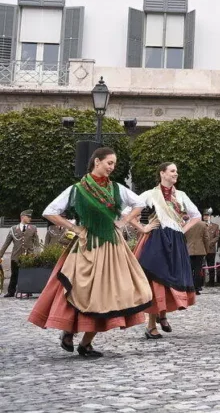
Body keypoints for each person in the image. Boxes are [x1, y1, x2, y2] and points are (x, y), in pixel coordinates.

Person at [28, 147, 152, 357]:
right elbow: (49, 212)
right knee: (80, 289)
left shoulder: (116, 188)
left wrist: (122, 222)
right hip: (87, 244)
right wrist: (75, 228)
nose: (112, 167)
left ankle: (86, 342)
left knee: (108, 294)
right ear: (97, 161)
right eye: (109, 163)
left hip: (113, 246)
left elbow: (140, 203)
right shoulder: (77, 189)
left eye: (114, 164)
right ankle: (69, 331)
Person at [132, 162, 201, 339]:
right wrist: (143, 228)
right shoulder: (150, 194)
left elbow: (197, 215)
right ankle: (151, 325)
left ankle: (162, 315)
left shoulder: (181, 195)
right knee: (156, 279)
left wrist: (182, 230)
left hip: (175, 240)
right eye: (172, 171)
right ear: (162, 173)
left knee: (171, 279)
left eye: (176, 171)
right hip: (156, 239)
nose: (175, 174)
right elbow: (128, 212)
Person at [2, 210, 39, 298]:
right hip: (16, 255)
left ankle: (28, 291)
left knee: (28, 274)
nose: (30, 218)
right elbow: (6, 243)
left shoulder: (33, 228)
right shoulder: (13, 229)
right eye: (28, 217)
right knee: (14, 274)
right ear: (22, 217)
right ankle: (11, 292)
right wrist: (0, 254)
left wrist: (38, 254)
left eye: (30, 217)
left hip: (29, 256)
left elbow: (36, 243)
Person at [184, 213, 207, 294]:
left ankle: (190, 287)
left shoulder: (186, 224)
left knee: (189, 270)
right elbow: (206, 238)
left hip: (188, 249)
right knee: (198, 270)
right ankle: (197, 288)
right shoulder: (202, 224)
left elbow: (183, 238)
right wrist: (206, 250)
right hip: (200, 250)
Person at [203, 209, 219, 287]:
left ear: (210, 217)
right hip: (202, 249)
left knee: (211, 266)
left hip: (211, 249)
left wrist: (210, 243)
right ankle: (201, 282)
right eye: (204, 215)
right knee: (201, 266)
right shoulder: (201, 225)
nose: (206, 217)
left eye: (207, 215)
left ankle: (211, 282)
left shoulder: (215, 226)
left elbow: (217, 237)